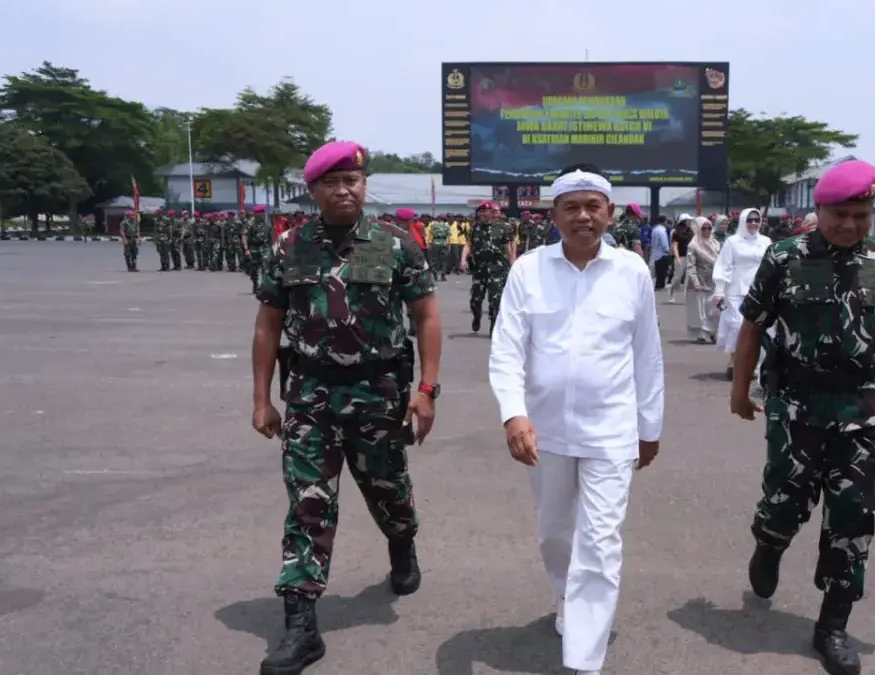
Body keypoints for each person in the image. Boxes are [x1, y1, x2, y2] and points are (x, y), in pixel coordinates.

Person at [731, 160, 875, 675]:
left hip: (863, 409)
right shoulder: (785, 257)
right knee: (784, 501)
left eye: (861, 215)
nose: (850, 224)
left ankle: (832, 625)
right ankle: (770, 544)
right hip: (796, 406)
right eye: (840, 214)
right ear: (818, 210)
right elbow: (753, 326)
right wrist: (740, 389)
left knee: (853, 518)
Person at [250, 140, 443, 675]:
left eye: (353, 180)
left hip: (377, 392)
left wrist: (426, 390)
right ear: (313, 190)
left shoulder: (392, 243)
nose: (344, 189)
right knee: (308, 504)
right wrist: (261, 398)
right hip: (310, 395)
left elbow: (425, 316)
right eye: (332, 182)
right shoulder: (290, 248)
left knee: (389, 492)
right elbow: (268, 325)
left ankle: (402, 542)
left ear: (364, 184)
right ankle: (301, 623)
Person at [489, 164, 663, 675]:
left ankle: (584, 659)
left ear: (609, 213)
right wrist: (513, 413)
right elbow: (506, 350)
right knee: (555, 533)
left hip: (610, 430)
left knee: (601, 539)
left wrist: (648, 427)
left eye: (594, 206)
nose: (583, 217)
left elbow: (647, 356)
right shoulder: (528, 269)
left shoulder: (632, 271)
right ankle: (568, 598)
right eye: (572, 206)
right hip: (545, 432)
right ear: (553, 214)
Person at [711, 209, 772, 380]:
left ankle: (755, 366)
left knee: (759, 329)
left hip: (759, 291)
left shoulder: (766, 241)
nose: (753, 223)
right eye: (750, 220)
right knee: (737, 328)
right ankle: (734, 363)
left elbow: (772, 265)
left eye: (756, 220)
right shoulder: (732, 242)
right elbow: (724, 266)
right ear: (743, 221)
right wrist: (719, 291)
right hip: (735, 291)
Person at [461, 201, 516, 336]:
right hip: (479, 269)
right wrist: (463, 260)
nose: (484, 215)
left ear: (492, 213)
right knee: (475, 300)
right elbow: (468, 244)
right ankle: (477, 317)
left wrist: (513, 265)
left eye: (487, 212)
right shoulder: (475, 228)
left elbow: (508, 247)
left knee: (495, 299)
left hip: (498, 268)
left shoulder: (504, 228)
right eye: (482, 213)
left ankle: (494, 326)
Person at [685, 216, 720, 342]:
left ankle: (713, 331)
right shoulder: (693, 245)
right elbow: (690, 265)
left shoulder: (715, 243)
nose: (707, 231)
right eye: (704, 228)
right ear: (699, 229)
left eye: (709, 228)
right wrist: (695, 281)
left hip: (714, 279)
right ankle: (702, 334)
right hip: (699, 280)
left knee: (713, 308)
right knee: (700, 309)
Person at [667, 216, 694, 303]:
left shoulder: (691, 231)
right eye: (688, 220)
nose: (690, 221)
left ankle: (687, 297)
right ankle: (672, 292)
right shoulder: (676, 232)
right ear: (683, 221)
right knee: (678, 277)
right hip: (680, 256)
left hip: (690, 257)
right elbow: (674, 246)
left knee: (688, 277)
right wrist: (677, 258)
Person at [648, 215, 671, 288]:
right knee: (662, 272)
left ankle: (658, 285)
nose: (667, 223)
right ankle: (660, 286)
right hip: (662, 254)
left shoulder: (655, 229)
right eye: (666, 221)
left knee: (658, 271)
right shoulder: (662, 231)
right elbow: (664, 244)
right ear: (664, 222)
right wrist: (668, 251)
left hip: (655, 253)